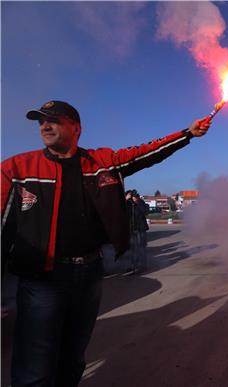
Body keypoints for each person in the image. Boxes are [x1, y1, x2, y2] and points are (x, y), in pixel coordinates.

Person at [1, 100, 211, 386]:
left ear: (76, 128)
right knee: (35, 364)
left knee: (73, 356)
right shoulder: (16, 168)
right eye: (40, 122)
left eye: (53, 120)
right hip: (41, 279)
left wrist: (187, 133)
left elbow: (147, 152)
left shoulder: (103, 162)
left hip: (89, 274)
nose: (45, 126)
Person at [125, 190, 150, 274]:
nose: (133, 197)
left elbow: (145, 212)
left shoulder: (141, 202)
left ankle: (142, 266)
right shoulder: (128, 203)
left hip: (141, 229)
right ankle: (133, 265)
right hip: (132, 229)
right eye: (132, 196)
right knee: (133, 249)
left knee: (141, 248)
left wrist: (138, 202)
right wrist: (126, 199)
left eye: (135, 196)